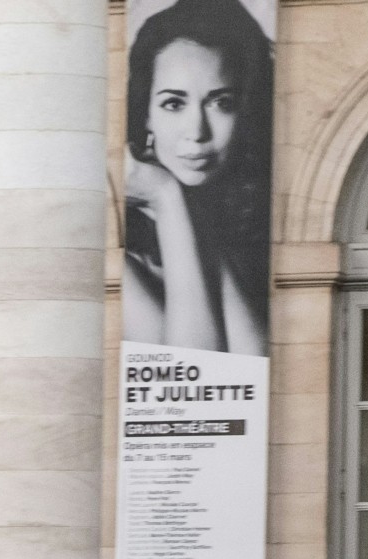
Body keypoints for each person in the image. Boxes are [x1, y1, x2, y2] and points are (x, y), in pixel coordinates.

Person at [122, 0, 271, 356]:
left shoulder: (262, 226)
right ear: (145, 116)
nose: (197, 132)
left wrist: (184, 214)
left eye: (221, 103)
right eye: (174, 104)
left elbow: (252, 363)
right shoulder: (116, 246)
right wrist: (167, 196)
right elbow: (191, 370)